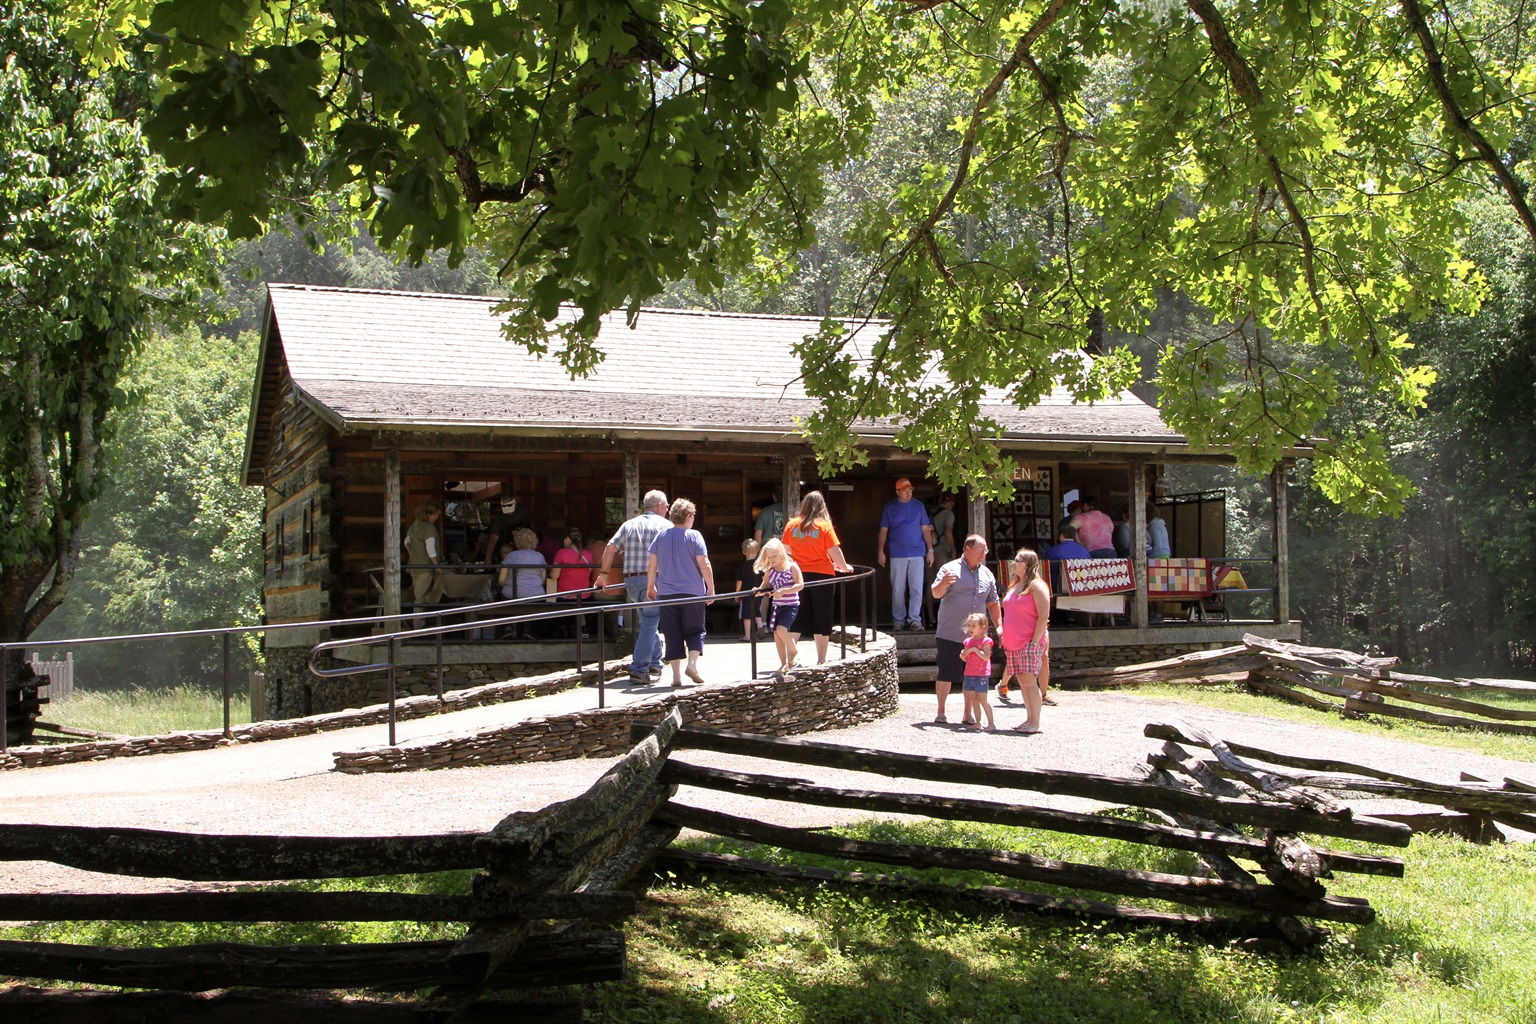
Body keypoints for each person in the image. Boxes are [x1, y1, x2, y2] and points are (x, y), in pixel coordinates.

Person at [595, 490, 671, 683]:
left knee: (647, 620)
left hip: (631, 582)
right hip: (653, 581)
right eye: (667, 506)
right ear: (660, 506)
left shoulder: (629, 524)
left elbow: (611, 547)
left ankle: (655, 662)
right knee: (650, 622)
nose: (668, 509)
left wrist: (603, 575)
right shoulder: (666, 526)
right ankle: (638, 669)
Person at [930, 534, 1002, 724]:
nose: (983, 554)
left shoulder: (987, 574)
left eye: (985, 550)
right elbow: (936, 593)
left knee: (972, 676)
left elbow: (993, 603)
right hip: (950, 632)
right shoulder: (949, 569)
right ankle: (941, 712)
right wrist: (944, 583)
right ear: (967, 549)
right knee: (946, 673)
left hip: (977, 638)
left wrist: (999, 626)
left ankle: (967, 714)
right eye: (980, 550)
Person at [646, 498, 714, 687]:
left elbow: (652, 564)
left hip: (667, 594)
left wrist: (650, 586)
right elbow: (704, 564)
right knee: (695, 629)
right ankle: (692, 664)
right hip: (692, 592)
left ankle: (676, 677)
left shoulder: (661, 536)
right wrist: (711, 588)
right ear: (689, 516)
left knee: (671, 633)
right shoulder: (694, 536)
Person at [781, 490, 853, 665]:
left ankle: (790, 658)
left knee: (797, 615)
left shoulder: (792, 525)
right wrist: (845, 567)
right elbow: (834, 551)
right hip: (823, 576)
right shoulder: (824, 526)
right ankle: (821, 659)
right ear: (822, 507)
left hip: (799, 575)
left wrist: (800, 552)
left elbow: (785, 549)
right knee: (823, 616)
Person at [1000, 550, 1050, 734]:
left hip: (1029, 642)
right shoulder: (1016, 585)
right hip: (1014, 643)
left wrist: (1035, 642)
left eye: (1018, 560)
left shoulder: (1037, 586)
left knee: (1029, 680)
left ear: (1028, 563)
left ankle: (1035, 723)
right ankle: (1028, 719)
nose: (1014, 563)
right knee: (1022, 681)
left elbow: (1044, 615)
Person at [878, 477, 935, 631]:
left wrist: (930, 550)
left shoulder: (918, 505)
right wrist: (880, 551)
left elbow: (925, 528)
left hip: (917, 552)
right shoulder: (890, 508)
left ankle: (915, 620)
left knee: (916, 588)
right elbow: (884, 530)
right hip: (897, 553)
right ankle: (898, 621)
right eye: (904, 491)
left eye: (910, 490)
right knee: (898, 589)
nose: (908, 493)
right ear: (897, 492)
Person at [754, 537, 804, 682]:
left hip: (790, 605)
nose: (772, 560)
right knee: (776, 635)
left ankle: (794, 653)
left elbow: (800, 585)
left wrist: (785, 590)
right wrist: (758, 591)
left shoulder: (792, 567)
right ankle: (784, 663)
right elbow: (765, 586)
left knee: (782, 630)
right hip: (777, 605)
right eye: (769, 557)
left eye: (774, 556)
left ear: (782, 553)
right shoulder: (771, 571)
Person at [404, 501, 446, 610]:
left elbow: (406, 542)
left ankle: (419, 623)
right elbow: (430, 548)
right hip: (425, 567)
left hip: (414, 566)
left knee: (418, 594)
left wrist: (413, 554)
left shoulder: (415, 525)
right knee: (420, 598)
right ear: (427, 514)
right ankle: (419, 625)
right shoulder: (429, 528)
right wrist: (436, 565)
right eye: (435, 514)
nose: (437, 517)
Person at [959, 612, 996, 732]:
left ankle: (991, 723)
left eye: (973, 626)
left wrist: (975, 650)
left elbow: (986, 657)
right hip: (969, 673)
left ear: (983, 627)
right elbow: (965, 657)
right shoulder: (967, 641)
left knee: (982, 699)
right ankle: (978, 722)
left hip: (981, 675)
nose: (970, 628)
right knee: (973, 698)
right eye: (969, 625)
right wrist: (963, 655)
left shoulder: (986, 641)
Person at [734, 538, 766, 639]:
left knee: (746, 613)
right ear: (757, 552)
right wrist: (765, 589)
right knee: (757, 610)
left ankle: (747, 635)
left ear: (743, 552)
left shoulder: (742, 567)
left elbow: (739, 582)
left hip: (746, 594)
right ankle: (760, 626)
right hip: (758, 592)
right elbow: (765, 578)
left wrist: (737, 594)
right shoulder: (760, 566)